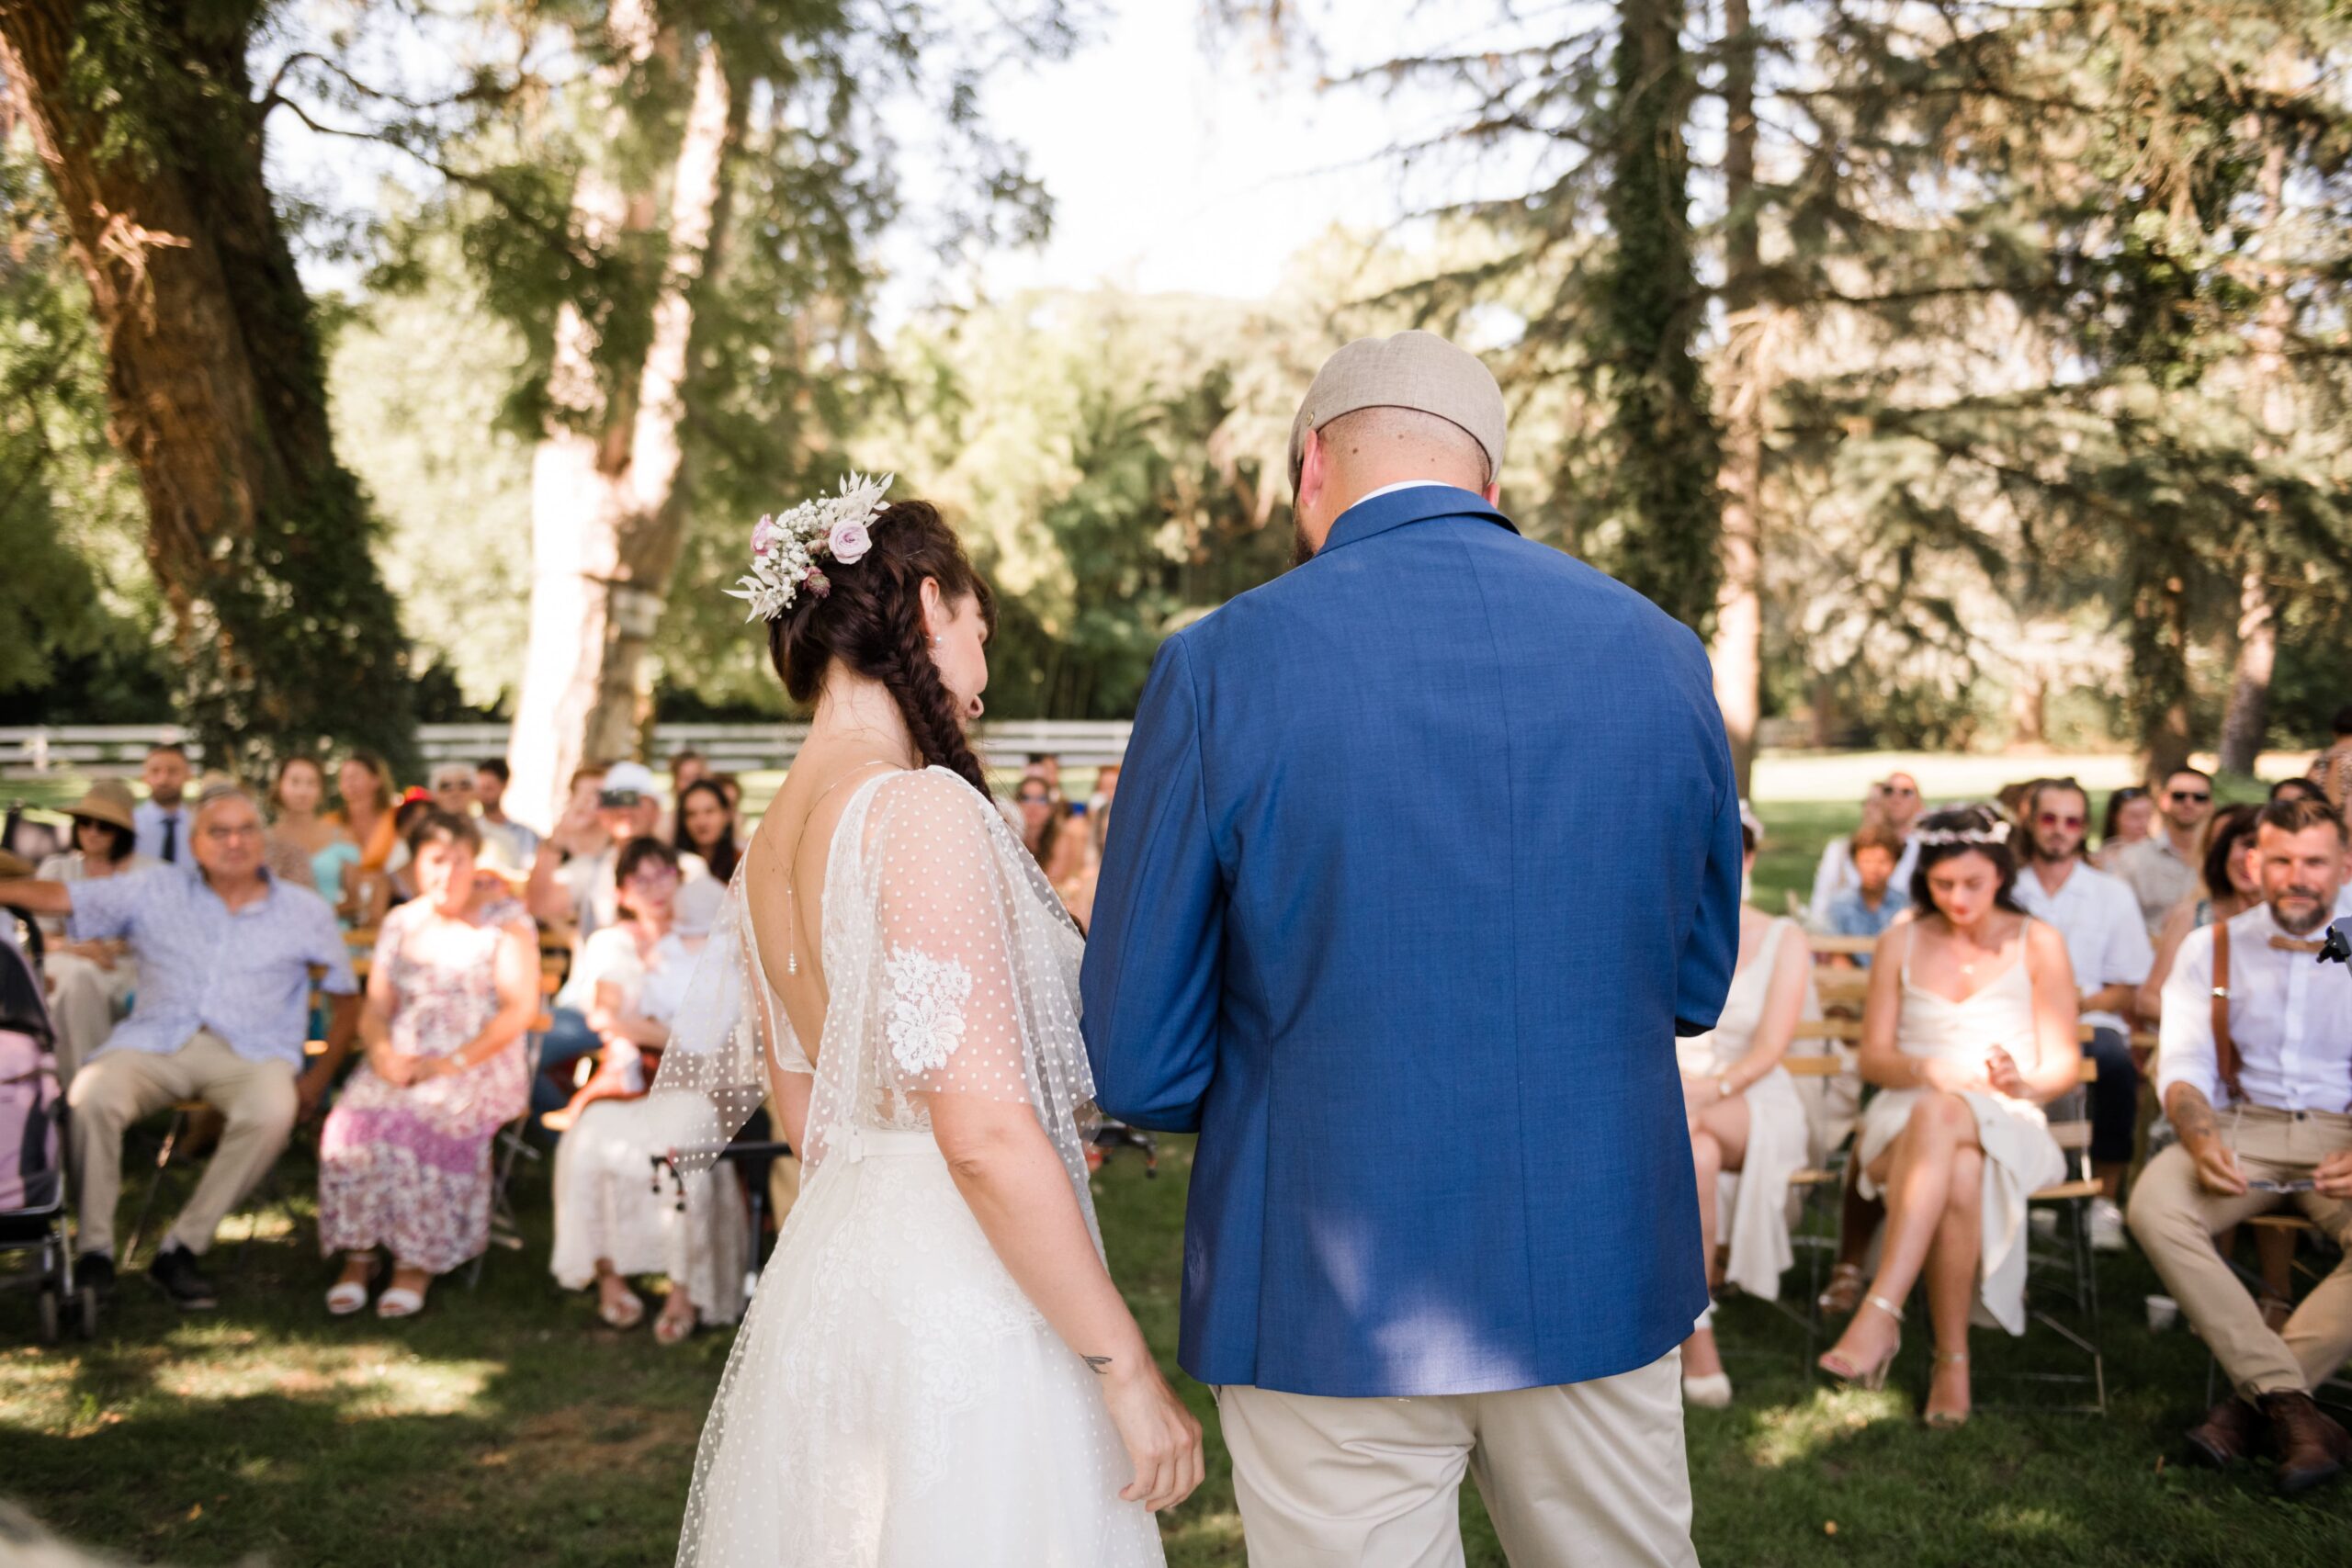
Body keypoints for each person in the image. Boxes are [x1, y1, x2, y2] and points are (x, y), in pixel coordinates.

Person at [1085, 331, 1735, 1565]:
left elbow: (1141, 1056)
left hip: (1328, 1288)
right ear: (1489, 480)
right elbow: (1696, 978)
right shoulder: (1658, 650)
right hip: (1593, 1253)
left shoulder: (1220, 662)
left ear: (1312, 465)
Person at [658, 477, 1192, 1564]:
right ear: (933, 606)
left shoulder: (764, 849)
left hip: (834, 1287)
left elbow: (809, 1114)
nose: (981, 674)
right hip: (962, 1298)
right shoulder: (917, 810)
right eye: (979, 630)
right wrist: (1124, 1367)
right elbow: (985, 1138)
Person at [0, 784, 357, 1309]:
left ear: (262, 838)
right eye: (219, 831)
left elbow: (347, 1000)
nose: (234, 842)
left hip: (251, 1053)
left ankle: (181, 1249)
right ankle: (95, 1252)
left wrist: (316, 1080)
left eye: (245, 830)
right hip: (155, 1042)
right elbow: (61, 898)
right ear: (194, 843)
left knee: (272, 1109)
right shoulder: (155, 889)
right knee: (89, 1098)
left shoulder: (304, 911)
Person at [1815, 805, 2079, 1427]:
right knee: (1944, 1126)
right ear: (1924, 877)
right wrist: (1931, 1071)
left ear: (2001, 874)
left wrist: (2023, 1078)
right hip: (1905, 1112)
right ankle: (1950, 1359)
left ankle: (1884, 1310)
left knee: (1960, 1161)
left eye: (1973, 883)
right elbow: (1875, 1058)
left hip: (2008, 1113)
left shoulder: (2038, 941)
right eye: (1942, 884)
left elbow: (2062, 1062)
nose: (1957, 898)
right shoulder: (1900, 938)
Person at [2127, 797, 2352, 1496]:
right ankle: (2290, 1404)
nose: (2298, 876)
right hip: (2240, 1125)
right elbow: (2184, 1062)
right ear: (2255, 862)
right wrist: (2196, 1134)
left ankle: (2250, 1409)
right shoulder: (2211, 945)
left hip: (2344, 1129)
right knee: (2154, 1206)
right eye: (2281, 859)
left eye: (2315, 860)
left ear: (2343, 864)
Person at [318, 811, 537, 1319]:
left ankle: (416, 1261)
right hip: (404, 1055)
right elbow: (375, 1010)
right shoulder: (401, 922)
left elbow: (519, 1010)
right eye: (435, 862)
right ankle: (359, 1255)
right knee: (349, 1123)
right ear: (415, 864)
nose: (447, 874)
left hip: (478, 1061)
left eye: (458, 861)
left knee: (421, 1122)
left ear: (473, 860)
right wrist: (383, 1054)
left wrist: (452, 1063)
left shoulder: (504, 921)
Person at [549, 873, 747, 1343]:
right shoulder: (642, 954)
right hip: (638, 1080)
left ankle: (685, 1288)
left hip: (700, 1088)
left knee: (682, 1147)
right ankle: (608, 1275)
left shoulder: (734, 959)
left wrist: (660, 1035)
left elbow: (717, 1045)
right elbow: (611, 1016)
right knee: (587, 1141)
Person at [1676, 802, 1816, 1410]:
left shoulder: (1784, 938)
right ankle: (1696, 1327)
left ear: (1748, 858)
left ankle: (1672, 1312)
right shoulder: (1658, 927)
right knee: (1696, 1154)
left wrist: (1712, 1087)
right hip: (1680, 1101)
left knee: (1687, 1130)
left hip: (1752, 1095)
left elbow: (1769, 1049)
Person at [2009, 776, 2154, 1249]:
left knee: (2113, 1064)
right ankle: (2013, 1192)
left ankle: (2102, 1202)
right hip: (2010, 1018)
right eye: (2049, 819)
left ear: (2084, 828)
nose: (2059, 830)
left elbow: (2126, 989)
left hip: (2089, 1018)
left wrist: (2072, 1003)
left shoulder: (2110, 893)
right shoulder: (2006, 888)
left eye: (2071, 821)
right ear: (2030, 821)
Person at [545, 837, 684, 1131]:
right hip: (642, 1060)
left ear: (678, 878)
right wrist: (680, 1043)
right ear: (622, 894)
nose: (654, 889)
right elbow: (605, 1016)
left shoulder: (702, 940)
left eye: (662, 875)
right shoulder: (611, 942)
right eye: (640, 881)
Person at [32, 781, 153, 1081]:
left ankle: (76, 1092)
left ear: (121, 832)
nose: (92, 832)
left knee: (77, 983)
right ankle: (92, 1088)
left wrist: (116, 947)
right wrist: (75, 949)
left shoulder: (149, 874)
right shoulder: (57, 869)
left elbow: (164, 938)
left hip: (127, 972)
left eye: (104, 826)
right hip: (67, 963)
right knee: (77, 978)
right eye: (85, 822)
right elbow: (37, 938)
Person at [2140, 804, 2264, 1023]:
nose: (2250, 859)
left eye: (2265, 849)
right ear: (2225, 851)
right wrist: (2210, 1029)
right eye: (2246, 844)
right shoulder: (2192, 916)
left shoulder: (2295, 927)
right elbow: (2148, 1000)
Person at [1809, 774, 1924, 925]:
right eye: (1871, 802)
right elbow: (1820, 904)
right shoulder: (1841, 850)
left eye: (1906, 793)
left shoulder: (1921, 851)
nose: (1895, 800)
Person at [2114, 766, 2215, 935]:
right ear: (2164, 801)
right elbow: (2117, 919)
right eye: (2179, 796)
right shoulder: (2133, 858)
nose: (2188, 803)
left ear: (2210, 805)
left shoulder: (2222, 859)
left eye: (2199, 797)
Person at [329, 751, 404, 930]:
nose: (349, 783)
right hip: (342, 909)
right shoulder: (330, 823)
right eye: (344, 778)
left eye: (355, 776)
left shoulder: (396, 820)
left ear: (376, 780)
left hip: (390, 906)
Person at [1824, 822, 1910, 964]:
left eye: (1882, 862)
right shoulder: (1840, 904)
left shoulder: (1904, 905)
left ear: (1895, 863)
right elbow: (1837, 956)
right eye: (1867, 861)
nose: (1874, 869)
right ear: (1855, 861)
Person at [266, 756, 339, 892]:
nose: (302, 792)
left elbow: (356, 900)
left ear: (321, 789)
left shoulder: (342, 836)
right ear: (279, 785)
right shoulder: (262, 841)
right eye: (295, 782)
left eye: (311, 783)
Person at [472, 759, 541, 870]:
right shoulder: (470, 830)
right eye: (481, 788)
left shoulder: (527, 835)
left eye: (489, 788)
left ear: (504, 785)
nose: (484, 794)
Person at [131, 743, 191, 865]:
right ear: (144, 777)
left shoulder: (200, 825)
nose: (163, 779)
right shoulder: (130, 825)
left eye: (173, 771)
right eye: (155, 771)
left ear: (188, 775)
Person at [674, 778, 742, 885]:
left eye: (709, 812)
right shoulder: (672, 866)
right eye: (691, 814)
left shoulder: (743, 864)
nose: (701, 822)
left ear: (727, 815)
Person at [2094, 785, 2154, 873]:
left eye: (2148, 815)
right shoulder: (2101, 858)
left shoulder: (2160, 854)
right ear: (2115, 817)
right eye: (2135, 816)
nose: (2144, 823)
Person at [2306, 704, 2352, 816]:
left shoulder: (2321, 758)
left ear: (2334, 732)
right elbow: (2335, 802)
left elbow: (2306, 788)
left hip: (2321, 820)